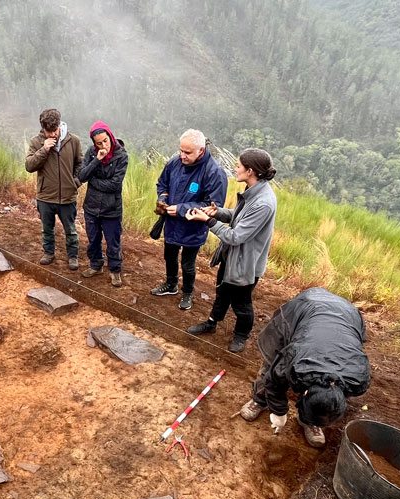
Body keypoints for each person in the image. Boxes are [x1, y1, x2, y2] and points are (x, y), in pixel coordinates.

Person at [237, 287, 371, 448]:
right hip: (303, 309)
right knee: (271, 365)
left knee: (318, 400)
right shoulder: (295, 359)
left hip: (348, 315)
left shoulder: (358, 380)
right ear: (305, 392)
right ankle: (259, 399)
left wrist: (319, 410)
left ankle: (309, 420)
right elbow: (273, 378)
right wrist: (279, 412)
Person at [184, 148, 278, 352]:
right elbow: (237, 216)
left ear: (250, 171)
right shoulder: (254, 192)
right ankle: (211, 323)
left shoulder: (264, 203)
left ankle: (241, 335)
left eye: (238, 166)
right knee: (222, 293)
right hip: (233, 257)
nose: (235, 169)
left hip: (246, 263)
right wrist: (217, 212)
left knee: (241, 304)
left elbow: (235, 236)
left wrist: (208, 220)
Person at [150, 129, 227, 310]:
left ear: (200, 150)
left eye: (187, 152)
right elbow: (162, 183)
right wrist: (163, 198)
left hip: (194, 226)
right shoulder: (175, 162)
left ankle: (187, 292)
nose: (182, 156)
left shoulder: (214, 172)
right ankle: (170, 285)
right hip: (171, 221)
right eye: (181, 151)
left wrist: (182, 209)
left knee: (188, 263)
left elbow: (213, 206)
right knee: (169, 255)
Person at [26, 108, 82, 270]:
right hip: (45, 197)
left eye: (55, 130)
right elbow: (29, 166)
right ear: (43, 128)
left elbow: (80, 163)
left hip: (67, 196)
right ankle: (49, 253)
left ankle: (73, 256)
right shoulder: (36, 142)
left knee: (71, 230)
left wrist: (75, 182)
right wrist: (44, 150)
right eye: (48, 131)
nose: (52, 134)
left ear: (59, 125)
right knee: (47, 229)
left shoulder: (73, 141)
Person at [78, 121, 129, 287]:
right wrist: (97, 161)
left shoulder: (121, 156)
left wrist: (94, 181)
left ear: (110, 136)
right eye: (99, 142)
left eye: (105, 140)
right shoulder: (92, 153)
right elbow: (82, 176)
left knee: (113, 241)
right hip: (91, 207)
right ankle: (96, 265)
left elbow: (115, 184)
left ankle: (115, 271)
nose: (103, 145)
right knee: (93, 239)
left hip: (111, 208)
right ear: (94, 143)